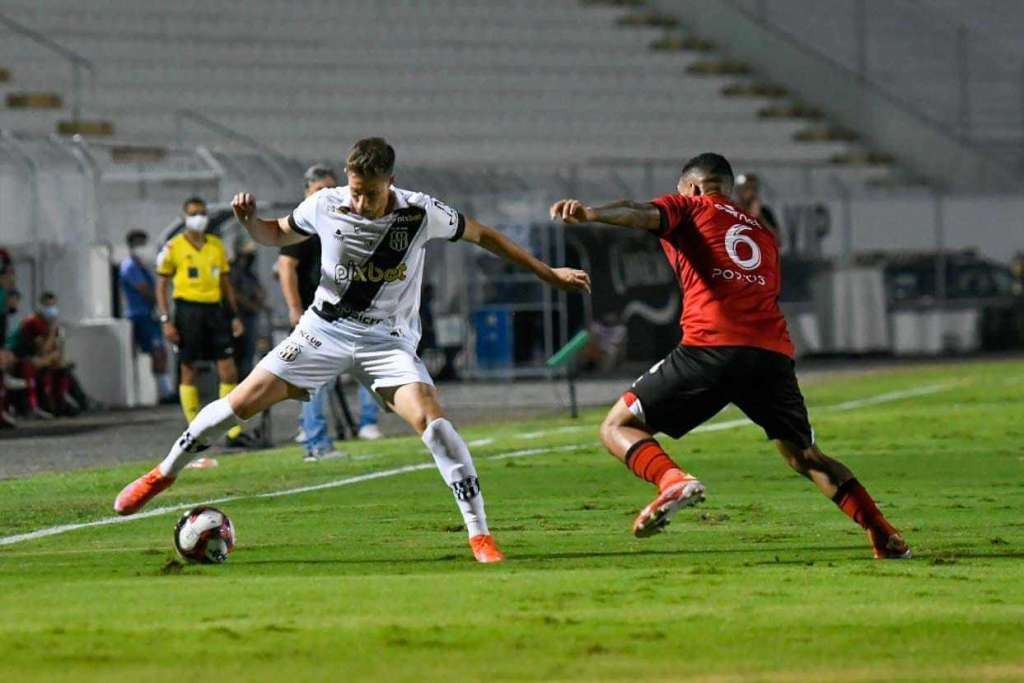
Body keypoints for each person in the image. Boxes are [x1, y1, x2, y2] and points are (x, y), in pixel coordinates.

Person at [114, 137, 591, 563]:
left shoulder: (420, 212)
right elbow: (276, 234)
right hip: (324, 332)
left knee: (434, 423)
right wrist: (250, 223)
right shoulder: (326, 204)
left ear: (392, 182)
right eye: (355, 189)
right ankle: (163, 473)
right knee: (240, 403)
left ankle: (480, 535)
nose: (360, 201)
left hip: (388, 343)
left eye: (371, 192)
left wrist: (548, 273)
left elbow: (485, 236)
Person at [550, 152, 910, 560]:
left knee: (618, 426)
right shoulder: (762, 232)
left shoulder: (688, 206)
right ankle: (884, 535)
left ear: (696, 187)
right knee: (806, 458)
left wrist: (592, 213)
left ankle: (671, 480)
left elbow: (638, 212)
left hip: (712, 347)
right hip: (772, 356)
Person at [277, 164, 380, 460]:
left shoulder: (341, 218)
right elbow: (286, 267)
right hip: (316, 316)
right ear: (307, 191)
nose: (326, 195)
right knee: (317, 380)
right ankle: (316, 441)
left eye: (331, 188)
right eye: (319, 189)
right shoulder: (303, 222)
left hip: (343, 313)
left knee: (335, 375)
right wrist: (295, 307)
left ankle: (319, 433)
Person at [156, 196, 250, 448]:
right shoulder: (173, 247)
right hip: (188, 311)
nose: (200, 217)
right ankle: (194, 430)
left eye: (202, 212)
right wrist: (166, 319)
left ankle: (232, 431)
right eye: (194, 213)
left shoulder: (216, 246)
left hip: (215, 310)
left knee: (228, 369)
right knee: (189, 368)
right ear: (185, 218)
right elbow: (162, 284)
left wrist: (234, 315)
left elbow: (225, 283)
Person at [119, 230, 175, 403]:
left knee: (160, 351)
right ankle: (164, 391)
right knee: (156, 351)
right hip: (140, 315)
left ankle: (165, 389)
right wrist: (160, 301)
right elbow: (144, 289)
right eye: (140, 244)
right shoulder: (129, 266)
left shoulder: (142, 266)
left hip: (149, 315)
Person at [9, 292, 86, 417]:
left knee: (63, 366)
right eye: (48, 306)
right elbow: (42, 349)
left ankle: (62, 401)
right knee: (42, 364)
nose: (51, 309)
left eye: (53, 305)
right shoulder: (32, 322)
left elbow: (55, 350)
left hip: (39, 357)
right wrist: (51, 331)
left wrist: (56, 357)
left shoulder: (51, 324)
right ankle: (36, 405)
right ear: (41, 307)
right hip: (20, 358)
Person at [230, 238, 266, 381]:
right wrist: (249, 305)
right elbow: (233, 293)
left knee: (249, 354)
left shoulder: (248, 271)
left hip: (250, 316)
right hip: (238, 317)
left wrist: (260, 298)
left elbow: (258, 289)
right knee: (239, 354)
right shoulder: (234, 270)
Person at [734, 173, 780, 239]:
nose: (751, 192)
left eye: (754, 189)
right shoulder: (732, 211)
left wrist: (760, 218)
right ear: (739, 191)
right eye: (747, 188)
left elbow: (777, 239)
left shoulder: (764, 212)